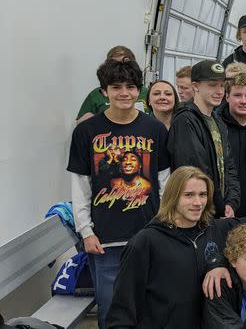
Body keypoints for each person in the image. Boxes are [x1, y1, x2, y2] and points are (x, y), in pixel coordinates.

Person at [105, 166, 246, 328]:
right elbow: (121, 312)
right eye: (188, 195)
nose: (197, 202)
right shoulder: (145, 242)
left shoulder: (217, 229)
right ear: (172, 197)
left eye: (203, 194)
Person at [68, 59, 170, 329]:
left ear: (140, 90)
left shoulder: (155, 129)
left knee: (150, 309)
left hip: (148, 234)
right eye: (116, 87)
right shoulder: (86, 132)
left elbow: (165, 181)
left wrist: (165, 225)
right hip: (105, 240)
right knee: (112, 312)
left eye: (131, 87)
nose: (124, 93)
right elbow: (81, 185)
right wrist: (86, 232)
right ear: (104, 91)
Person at [168, 60, 240, 218]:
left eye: (222, 85)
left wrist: (232, 202)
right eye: (212, 85)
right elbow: (197, 170)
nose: (219, 91)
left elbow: (229, 166)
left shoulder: (218, 121)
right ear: (195, 86)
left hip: (218, 210)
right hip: (197, 210)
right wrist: (220, 206)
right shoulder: (185, 120)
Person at [216, 71, 246, 217]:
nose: (243, 101)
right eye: (237, 95)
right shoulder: (216, 126)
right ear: (227, 96)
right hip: (225, 205)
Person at [76, 46, 149, 123]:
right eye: (115, 64)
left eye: (125, 62)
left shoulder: (147, 93)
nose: (120, 68)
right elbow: (81, 122)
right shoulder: (96, 94)